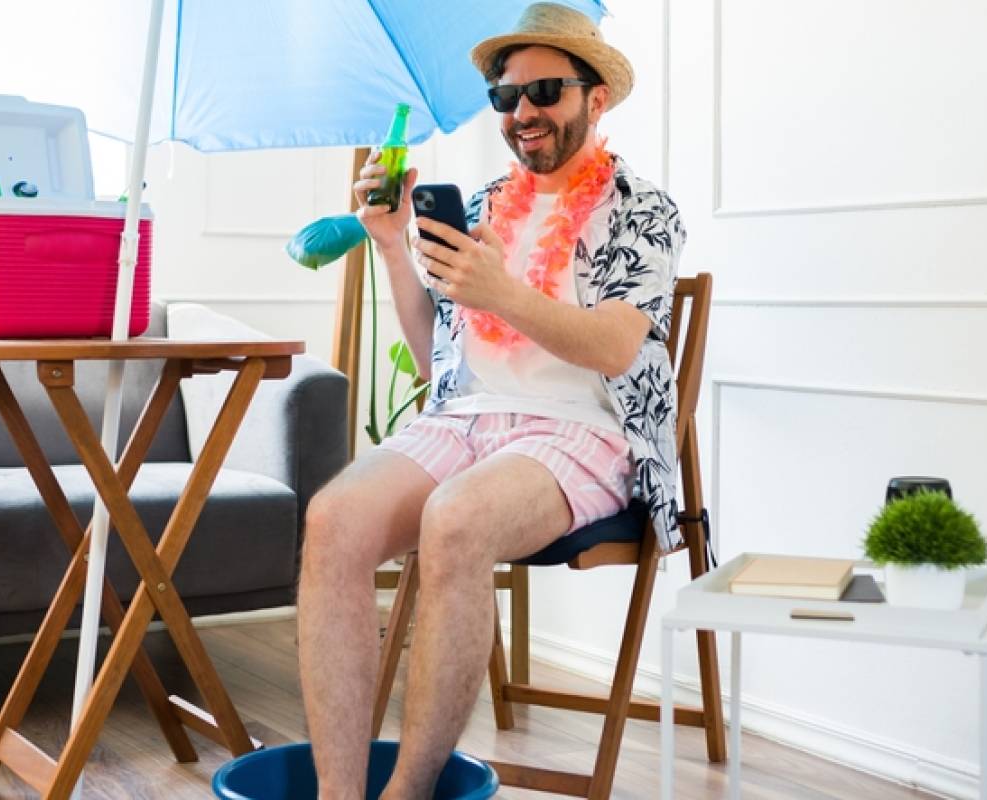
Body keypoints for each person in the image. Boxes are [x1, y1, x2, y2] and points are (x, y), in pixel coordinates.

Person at [297, 4, 685, 797]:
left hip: (584, 434)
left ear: (595, 97)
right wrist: (393, 243)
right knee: (331, 520)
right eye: (506, 98)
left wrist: (501, 291)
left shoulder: (645, 210)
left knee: (457, 520)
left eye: (545, 90)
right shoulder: (478, 208)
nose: (523, 113)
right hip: (467, 419)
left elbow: (615, 346)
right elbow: (431, 344)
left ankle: (408, 793)